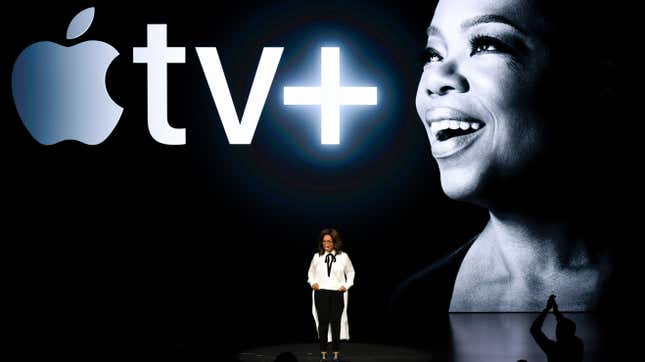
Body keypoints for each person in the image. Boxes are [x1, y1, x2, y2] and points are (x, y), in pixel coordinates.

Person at [390, 0, 621, 325]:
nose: (435, 78)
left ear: (592, 79)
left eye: (485, 44)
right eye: (433, 55)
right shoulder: (414, 308)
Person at [307, 228, 355, 361]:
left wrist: (345, 286)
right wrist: (313, 282)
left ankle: (336, 351)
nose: (326, 244)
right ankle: (323, 351)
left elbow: (351, 272)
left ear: (335, 242)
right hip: (321, 292)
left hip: (336, 293)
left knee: (335, 322)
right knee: (322, 323)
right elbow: (311, 273)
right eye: (324, 241)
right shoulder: (317, 257)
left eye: (329, 241)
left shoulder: (343, 257)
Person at [530, 295, 584, 362]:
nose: (556, 332)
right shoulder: (577, 344)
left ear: (559, 333)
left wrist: (547, 309)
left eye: (557, 330)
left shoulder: (553, 349)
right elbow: (564, 325)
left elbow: (534, 329)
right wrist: (556, 311)